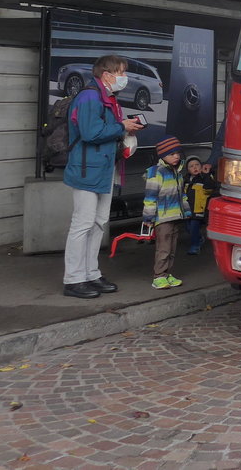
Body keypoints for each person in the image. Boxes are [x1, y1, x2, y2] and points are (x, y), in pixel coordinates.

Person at [62, 54, 143, 299]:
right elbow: (90, 133)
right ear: (106, 75)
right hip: (88, 169)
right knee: (83, 224)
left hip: (102, 168)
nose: (124, 77)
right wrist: (122, 127)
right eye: (121, 72)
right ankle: (73, 279)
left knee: (97, 224)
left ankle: (91, 274)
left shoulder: (106, 97)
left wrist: (123, 125)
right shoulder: (90, 97)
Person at [143, 136, 190, 289]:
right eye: (172, 154)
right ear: (162, 155)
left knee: (171, 249)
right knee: (163, 249)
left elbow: (182, 194)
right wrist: (148, 217)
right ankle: (159, 276)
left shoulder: (177, 172)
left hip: (175, 215)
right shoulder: (157, 173)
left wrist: (187, 211)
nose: (176, 156)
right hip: (162, 218)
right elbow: (150, 198)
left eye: (177, 153)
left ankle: (167, 274)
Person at [181, 155, 219, 255]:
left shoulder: (204, 178)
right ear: (187, 169)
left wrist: (206, 175)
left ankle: (195, 245)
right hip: (188, 209)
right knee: (188, 227)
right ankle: (199, 238)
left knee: (194, 227)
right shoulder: (186, 180)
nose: (195, 167)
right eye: (191, 166)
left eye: (197, 165)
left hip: (200, 209)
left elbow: (209, 188)